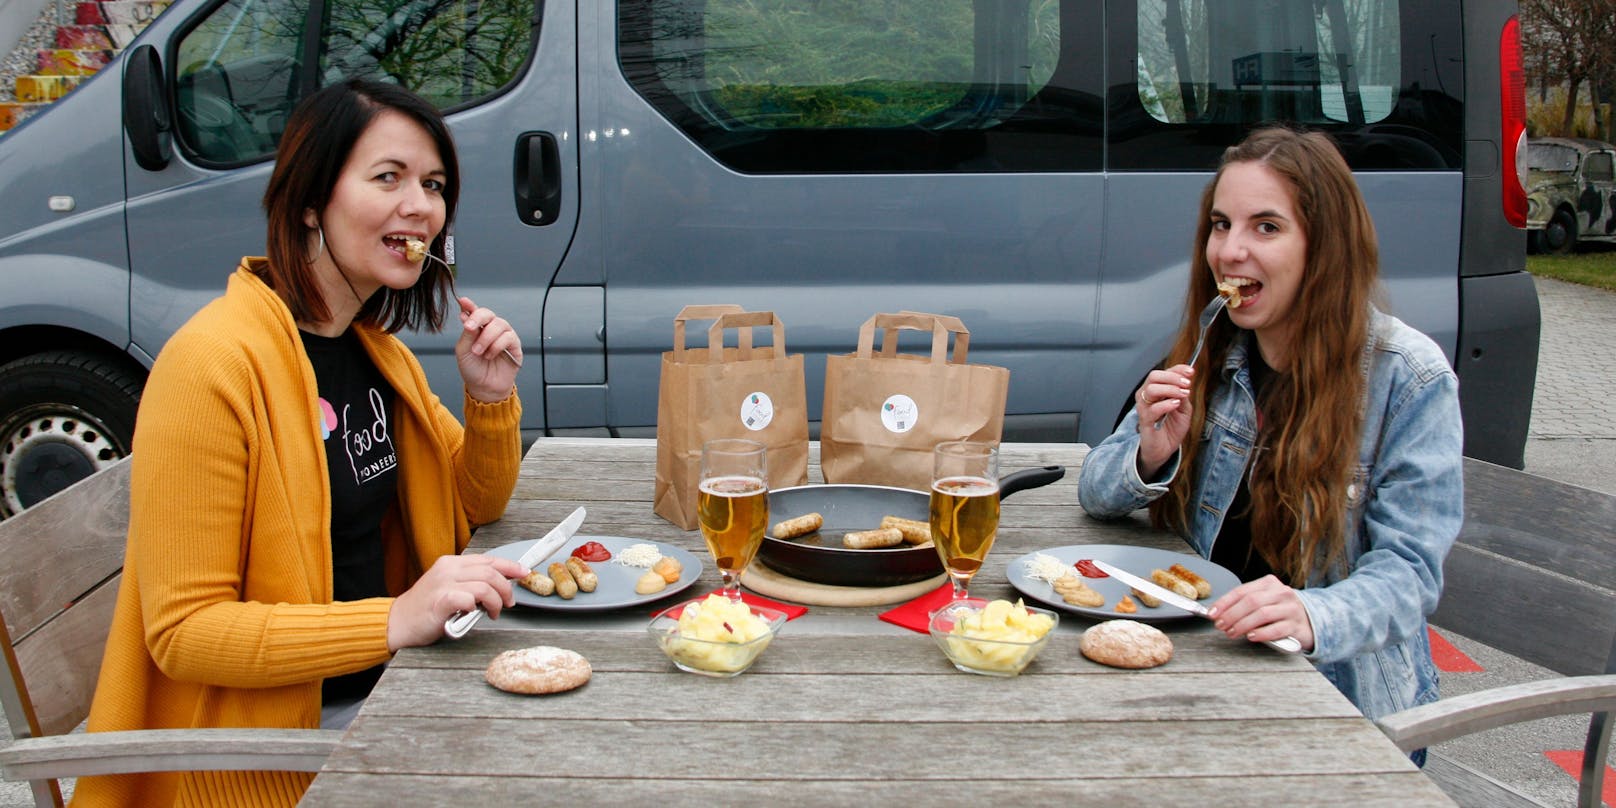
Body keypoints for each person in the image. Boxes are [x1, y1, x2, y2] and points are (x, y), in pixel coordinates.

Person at [76, 79, 530, 806]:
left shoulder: (373, 350)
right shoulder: (212, 367)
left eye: (435, 184)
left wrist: (488, 398)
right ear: (312, 201)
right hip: (270, 750)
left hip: (388, 694)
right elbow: (185, 631)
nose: (422, 205)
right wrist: (394, 617)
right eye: (389, 177)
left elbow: (475, 502)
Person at [1077, 127, 1463, 757]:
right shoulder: (1211, 350)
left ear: (1324, 247)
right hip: (1205, 668)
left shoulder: (1408, 378)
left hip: (1342, 709)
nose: (1230, 251)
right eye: (1221, 225)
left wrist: (1313, 615)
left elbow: (1411, 574)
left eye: (1266, 227)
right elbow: (1095, 491)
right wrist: (1149, 452)